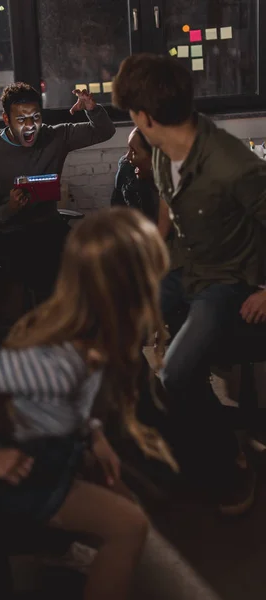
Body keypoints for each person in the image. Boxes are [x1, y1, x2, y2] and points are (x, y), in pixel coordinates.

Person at [0, 208, 181, 600]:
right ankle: (42, 536)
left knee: (126, 500)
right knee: (130, 527)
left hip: (35, 445)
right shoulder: (55, 366)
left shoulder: (92, 337)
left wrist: (93, 436)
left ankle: (51, 547)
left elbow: (68, 405)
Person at [113, 53, 266, 516]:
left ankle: (229, 460)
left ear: (144, 116)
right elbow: (166, 215)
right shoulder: (162, 149)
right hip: (183, 267)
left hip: (226, 279)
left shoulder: (234, 164)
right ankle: (161, 444)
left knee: (176, 374)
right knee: (117, 329)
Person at [0, 82, 115, 303]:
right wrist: (9, 208)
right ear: (6, 119)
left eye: (36, 117)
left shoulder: (55, 137)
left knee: (95, 268)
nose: (30, 126)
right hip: (11, 236)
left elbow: (104, 131)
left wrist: (91, 109)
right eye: (21, 120)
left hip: (49, 227)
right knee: (48, 281)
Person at [111, 127, 171, 239]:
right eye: (128, 149)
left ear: (154, 157)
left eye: (134, 151)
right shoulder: (126, 168)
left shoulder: (172, 181)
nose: (128, 156)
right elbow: (116, 212)